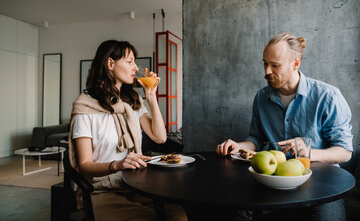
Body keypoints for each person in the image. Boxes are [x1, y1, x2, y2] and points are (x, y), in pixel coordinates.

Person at [216, 33, 353, 220]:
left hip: (322, 189)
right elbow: (256, 138)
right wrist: (240, 147)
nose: (267, 71)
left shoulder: (328, 97)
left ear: (295, 64)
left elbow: (345, 152)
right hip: (272, 185)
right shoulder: (261, 98)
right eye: (265, 63)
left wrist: (309, 153)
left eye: (275, 65)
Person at [68, 40, 187, 221]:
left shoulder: (131, 101)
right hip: (101, 190)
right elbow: (84, 165)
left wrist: (151, 97)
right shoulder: (86, 107)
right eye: (130, 61)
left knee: (178, 215)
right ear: (110, 63)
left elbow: (160, 137)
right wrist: (117, 164)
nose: (135, 67)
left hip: (135, 184)